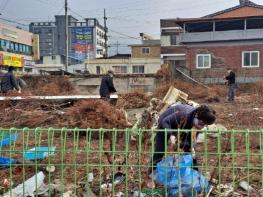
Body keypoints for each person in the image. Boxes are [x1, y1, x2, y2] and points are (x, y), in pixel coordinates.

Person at [146, 104, 216, 188]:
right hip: (165, 123)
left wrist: (191, 147)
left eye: (205, 125)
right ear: (196, 116)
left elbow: (190, 147)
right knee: (159, 151)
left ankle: (196, 176)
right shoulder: (183, 114)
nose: (202, 127)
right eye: (201, 123)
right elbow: (165, 121)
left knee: (189, 151)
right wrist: (171, 135)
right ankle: (149, 176)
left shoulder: (197, 122)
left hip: (183, 126)